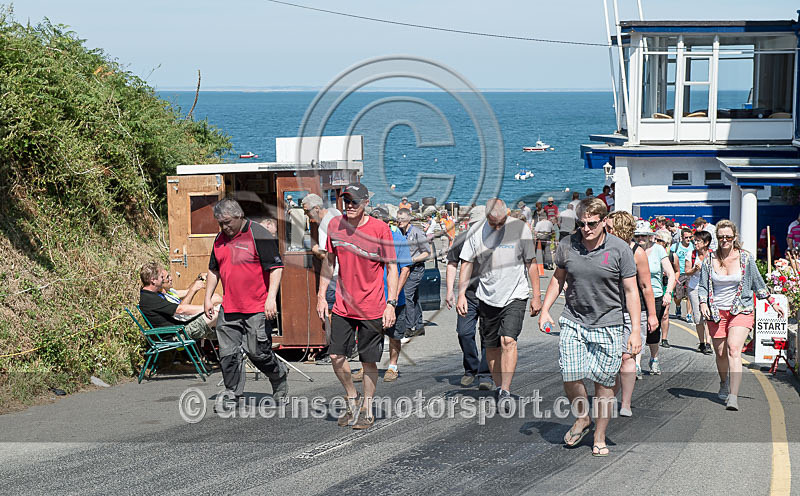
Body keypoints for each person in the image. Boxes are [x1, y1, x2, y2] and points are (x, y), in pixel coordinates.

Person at [539, 198, 641, 456]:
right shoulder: (567, 245)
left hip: (609, 323)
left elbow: (632, 291)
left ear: (604, 221)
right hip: (574, 320)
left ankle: (599, 435)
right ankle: (583, 417)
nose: (586, 229)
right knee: (570, 374)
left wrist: (636, 330)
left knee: (604, 384)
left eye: (592, 224)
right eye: (581, 223)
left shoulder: (620, 249)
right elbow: (558, 279)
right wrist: (545, 310)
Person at [316, 183, 398, 429]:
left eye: (354, 201)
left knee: (368, 361)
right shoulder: (335, 225)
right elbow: (329, 262)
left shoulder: (380, 229)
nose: (349, 206)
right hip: (343, 304)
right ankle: (352, 396)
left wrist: (391, 304)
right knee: (335, 355)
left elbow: (392, 268)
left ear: (365, 203)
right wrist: (321, 295)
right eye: (346, 201)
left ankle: (367, 409)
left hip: (372, 305)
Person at [457, 198, 541, 410]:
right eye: (493, 223)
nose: (497, 227)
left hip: (515, 294)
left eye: (501, 223)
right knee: (492, 347)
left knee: (508, 340)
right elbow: (466, 263)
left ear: (508, 214)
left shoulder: (520, 229)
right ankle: (498, 385)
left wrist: (536, 296)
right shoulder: (476, 232)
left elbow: (531, 263)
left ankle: (505, 389)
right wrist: (461, 294)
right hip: (487, 295)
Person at [203, 198, 288, 405]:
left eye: (227, 222)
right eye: (220, 223)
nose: (224, 227)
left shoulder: (259, 234)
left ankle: (279, 377)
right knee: (228, 354)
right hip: (230, 307)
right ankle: (232, 392)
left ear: (239, 216)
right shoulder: (219, 239)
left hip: (257, 307)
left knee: (258, 353)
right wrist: (207, 298)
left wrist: (271, 299)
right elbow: (214, 270)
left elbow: (276, 268)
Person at [698, 219, 784, 411]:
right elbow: (703, 286)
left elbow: (757, 282)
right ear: (717, 238)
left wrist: (772, 302)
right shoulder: (709, 259)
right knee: (721, 353)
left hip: (741, 309)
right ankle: (724, 382)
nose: (725, 240)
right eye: (721, 237)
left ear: (734, 237)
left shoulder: (745, 258)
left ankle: (733, 396)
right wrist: (703, 302)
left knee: (734, 349)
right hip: (716, 312)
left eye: (728, 237)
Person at [606, 211, 659, 417]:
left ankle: (625, 403)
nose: (605, 230)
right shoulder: (603, 249)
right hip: (608, 311)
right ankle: (609, 395)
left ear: (619, 229)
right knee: (611, 359)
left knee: (627, 356)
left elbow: (646, 286)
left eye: (609, 228)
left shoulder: (637, 252)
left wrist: (652, 315)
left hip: (633, 311)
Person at [352, 210, 411, 382]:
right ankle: (367, 366)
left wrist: (394, 295)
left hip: (393, 298)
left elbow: (405, 269)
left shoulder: (398, 239)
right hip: (370, 297)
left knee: (394, 335)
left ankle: (392, 366)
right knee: (367, 334)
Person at [446, 206, 491, 389]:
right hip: (468, 295)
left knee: (488, 336)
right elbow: (452, 264)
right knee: (464, 333)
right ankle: (471, 368)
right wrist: (450, 291)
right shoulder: (462, 239)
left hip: (490, 295)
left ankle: (486, 374)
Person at [632, 223, 675, 378]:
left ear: (650, 236)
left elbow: (671, 274)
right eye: (638, 236)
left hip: (656, 295)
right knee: (637, 328)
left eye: (644, 235)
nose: (641, 239)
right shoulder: (631, 249)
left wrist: (668, 293)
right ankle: (636, 364)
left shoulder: (658, 250)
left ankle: (654, 358)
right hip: (636, 295)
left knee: (652, 330)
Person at [302, 194, 343, 347]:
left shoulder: (324, 226)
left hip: (333, 274)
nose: (306, 215)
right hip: (342, 272)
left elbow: (326, 255)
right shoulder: (335, 213)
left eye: (307, 211)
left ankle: (335, 346)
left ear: (317, 208)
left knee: (329, 311)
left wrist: (313, 248)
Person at [139, 262, 217, 340]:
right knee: (216, 312)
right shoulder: (149, 298)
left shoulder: (150, 295)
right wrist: (207, 308)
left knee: (218, 316)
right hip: (177, 334)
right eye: (161, 277)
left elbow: (186, 295)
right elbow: (180, 310)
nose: (163, 280)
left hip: (180, 328)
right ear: (153, 280)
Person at [397, 208, 431, 338]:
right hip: (404, 268)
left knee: (407, 295)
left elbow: (427, 252)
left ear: (409, 219)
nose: (400, 221)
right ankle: (419, 325)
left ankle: (409, 326)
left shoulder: (417, 233)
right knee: (414, 297)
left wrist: (413, 259)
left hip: (416, 268)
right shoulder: (399, 232)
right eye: (398, 219)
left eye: (402, 219)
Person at [685, 230, 713, 355]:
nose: (695, 243)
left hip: (710, 289)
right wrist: (694, 269)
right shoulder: (691, 254)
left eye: (698, 241)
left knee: (708, 316)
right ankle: (701, 342)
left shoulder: (713, 255)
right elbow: (687, 272)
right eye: (694, 241)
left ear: (706, 243)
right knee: (698, 317)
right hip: (694, 288)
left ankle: (708, 343)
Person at [670, 227, 695, 327]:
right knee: (678, 296)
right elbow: (670, 259)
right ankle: (678, 306)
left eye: (690, 237)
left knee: (690, 294)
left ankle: (689, 315)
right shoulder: (675, 247)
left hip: (690, 273)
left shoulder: (693, 247)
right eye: (686, 237)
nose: (688, 239)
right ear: (682, 237)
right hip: (679, 273)